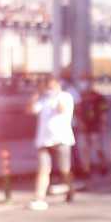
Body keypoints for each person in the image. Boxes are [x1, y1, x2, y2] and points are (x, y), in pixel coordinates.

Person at [27, 76, 75, 210]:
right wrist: (36, 94)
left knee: (65, 169)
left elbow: (62, 110)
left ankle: (71, 191)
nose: (49, 90)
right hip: (44, 140)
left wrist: (57, 94)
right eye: (48, 87)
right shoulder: (43, 100)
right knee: (43, 169)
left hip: (62, 139)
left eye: (52, 87)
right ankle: (40, 197)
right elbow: (30, 110)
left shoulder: (66, 97)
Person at [76, 73, 109, 178]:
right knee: (85, 149)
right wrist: (80, 123)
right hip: (84, 127)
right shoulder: (79, 97)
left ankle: (104, 164)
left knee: (97, 148)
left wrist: (103, 125)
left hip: (95, 127)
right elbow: (77, 111)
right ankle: (86, 170)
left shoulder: (98, 97)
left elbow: (104, 112)